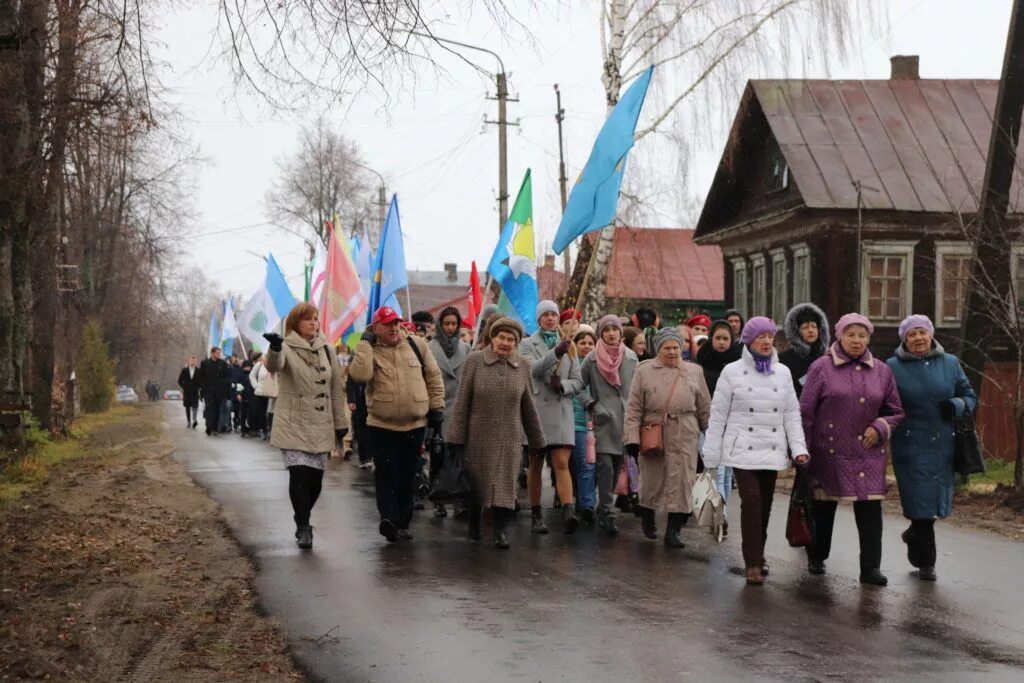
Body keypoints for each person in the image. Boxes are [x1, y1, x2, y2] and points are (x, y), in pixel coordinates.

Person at [703, 317, 809, 585]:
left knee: (765, 507)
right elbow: (718, 415)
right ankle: (752, 563)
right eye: (760, 337)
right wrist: (711, 455)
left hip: (771, 449)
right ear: (749, 341)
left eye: (770, 337)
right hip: (741, 449)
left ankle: (758, 554)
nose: (766, 342)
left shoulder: (782, 373)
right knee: (751, 503)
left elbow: (791, 415)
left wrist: (798, 449)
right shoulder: (732, 372)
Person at [800, 313, 905, 585]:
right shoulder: (821, 368)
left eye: (862, 335)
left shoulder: (882, 371)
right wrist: (803, 450)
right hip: (828, 450)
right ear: (839, 336)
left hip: (868, 451)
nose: (856, 341)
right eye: (851, 334)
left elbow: (895, 410)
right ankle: (817, 556)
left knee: (870, 511)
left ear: (868, 339)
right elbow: (806, 412)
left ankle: (870, 568)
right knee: (824, 507)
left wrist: (881, 427)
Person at [887, 315, 978, 582]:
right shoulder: (891, 367)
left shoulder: (950, 363)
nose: (918, 338)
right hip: (910, 445)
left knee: (935, 504)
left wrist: (958, 405)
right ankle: (927, 563)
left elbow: (970, 396)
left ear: (931, 335)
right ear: (904, 339)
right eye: (911, 334)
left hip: (944, 444)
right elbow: (884, 402)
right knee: (921, 504)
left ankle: (914, 534)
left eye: (922, 333)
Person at [446, 317, 547, 549]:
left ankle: (500, 531)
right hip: (477, 437)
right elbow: (462, 402)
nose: (506, 343)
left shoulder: (522, 366)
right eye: (502, 337)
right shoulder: (474, 361)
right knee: (477, 486)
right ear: (493, 338)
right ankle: (475, 523)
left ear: (517, 343)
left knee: (505, 486)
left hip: (510, 438)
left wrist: (538, 440)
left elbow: (529, 406)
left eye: (511, 339)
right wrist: (456, 438)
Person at [349, 306, 445, 543]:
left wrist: (437, 407)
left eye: (396, 323)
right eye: (388, 324)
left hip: (415, 424)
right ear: (375, 328)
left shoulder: (416, 345)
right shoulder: (369, 349)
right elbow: (360, 375)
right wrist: (363, 343)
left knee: (407, 474)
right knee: (386, 474)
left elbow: (433, 376)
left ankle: (403, 522)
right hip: (382, 424)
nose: (394, 328)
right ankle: (388, 519)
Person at [261, 305, 347, 549]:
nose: (313, 323)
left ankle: (301, 514)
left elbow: (335, 391)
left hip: (321, 424)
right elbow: (274, 366)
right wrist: (275, 347)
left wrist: (340, 423)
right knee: (299, 476)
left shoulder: (327, 349)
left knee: (315, 482)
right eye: (307, 319)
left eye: (316, 318)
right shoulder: (285, 346)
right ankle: (304, 526)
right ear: (295, 323)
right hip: (293, 423)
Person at [624, 328, 711, 548]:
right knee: (653, 480)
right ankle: (647, 513)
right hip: (654, 431)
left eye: (676, 347)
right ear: (658, 349)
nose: (672, 352)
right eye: (667, 348)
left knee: (682, 481)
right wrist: (631, 438)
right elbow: (633, 408)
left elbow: (704, 407)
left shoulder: (694, 371)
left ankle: (674, 530)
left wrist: (711, 436)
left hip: (685, 432)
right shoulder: (644, 371)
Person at [519, 300, 584, 535]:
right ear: (538, 319)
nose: (550, 319)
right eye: (545, 315)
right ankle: (536, 513)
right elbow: (531, 370)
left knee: (561, 463)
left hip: (561, 411)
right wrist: (555, 352)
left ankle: (568, 510)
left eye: (553, 315)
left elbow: (578, 380)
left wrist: (564, 385)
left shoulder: (570, 345)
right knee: (535, 464)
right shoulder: (526, 344)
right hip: (537, 412)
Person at [580, 315, 639, 537]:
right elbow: (578, 385)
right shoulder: (592, 359)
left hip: (626, 422)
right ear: (600, 333)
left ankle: (604, 504)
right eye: (607, 330)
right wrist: (591, 404)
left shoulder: (632, 358)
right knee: (604, 466)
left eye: (615, 329)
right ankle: (607, 512)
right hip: (603, 421)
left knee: (617, 467)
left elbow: (638, 389)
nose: (612, 333)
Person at [696, 319, 742, 526]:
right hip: (709, 421)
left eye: (726, 339)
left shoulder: (739, 364)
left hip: (732, 421)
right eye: (718, 338)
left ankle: (722, 510)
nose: (722, 342)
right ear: (711, 339)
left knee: (727, 469)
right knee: (717, 467)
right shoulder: (703, 362)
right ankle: (719, 512)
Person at [427, 306, 472, 519]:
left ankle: (459, 499)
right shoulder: (430, 348)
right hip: (438, 408)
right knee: (438, 456)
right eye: (447, 324)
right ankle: (438, 497)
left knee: (459, 457)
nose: (451, 328)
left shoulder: (466, 349)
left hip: (460, 409)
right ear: (440, 325)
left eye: (454, 324)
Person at [779, 303, 830, 397]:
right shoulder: (784, 360)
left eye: (814, 326)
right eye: (805, 327)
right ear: (796, 332)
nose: (810, 330)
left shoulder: (830, 357)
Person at [196, 347, 230, 436]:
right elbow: (201, 377)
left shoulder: (223, 364)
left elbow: (226, 378)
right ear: (212, 353)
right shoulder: (204, 363)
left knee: (217, 411)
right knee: (209, 409)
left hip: (219, 392)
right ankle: (209, 426)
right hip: (208, 392)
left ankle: (214, 428)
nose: (219, 354)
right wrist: (203, 388)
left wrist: (224, 388)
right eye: (218, 353)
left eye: (220, 353)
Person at [250, 351, 278, 440]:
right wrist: (255, 385)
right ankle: (264, 431)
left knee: (271, 412)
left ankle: (271, 431)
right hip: (260, 392)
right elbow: (252, 376)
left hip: (272, 392)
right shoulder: (259, 364)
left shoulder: (277, 365)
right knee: (261, 413)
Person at [177, 357, 201, 428]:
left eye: (194, 361)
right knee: (187, 407)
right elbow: (179, 381)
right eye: (191, 361)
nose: (193, 362)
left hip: (195, 392)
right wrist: (184, 387)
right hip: (187, 392)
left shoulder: (198, 370)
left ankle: (194, 420)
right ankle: (188, 421)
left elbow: (201, 381)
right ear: (188, 362)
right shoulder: (184, 370)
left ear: (196, 362)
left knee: (195, 406)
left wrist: (198, 388)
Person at [236, 359, 256, 436]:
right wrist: (238, 394)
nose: (247, 368)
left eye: (248, 367)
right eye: (245, 367)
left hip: (252, 396)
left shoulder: (252, 375)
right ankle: (243, 429)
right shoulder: (240, 375)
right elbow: (239, 385)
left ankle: (251, 428)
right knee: (243, 414)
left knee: (251, 413)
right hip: (243, 396)